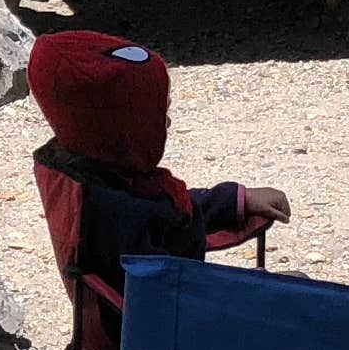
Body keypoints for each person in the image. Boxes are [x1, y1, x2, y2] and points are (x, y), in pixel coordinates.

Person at [29, 31, 287, 328]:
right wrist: (263, 294)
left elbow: (167, 215)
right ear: (122, 131)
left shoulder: (99, 174)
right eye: (157, 115)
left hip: (161, 314)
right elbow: (175, 297)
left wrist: (234, 201)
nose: (167, 122)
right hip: (160, 342)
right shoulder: (115, 215)